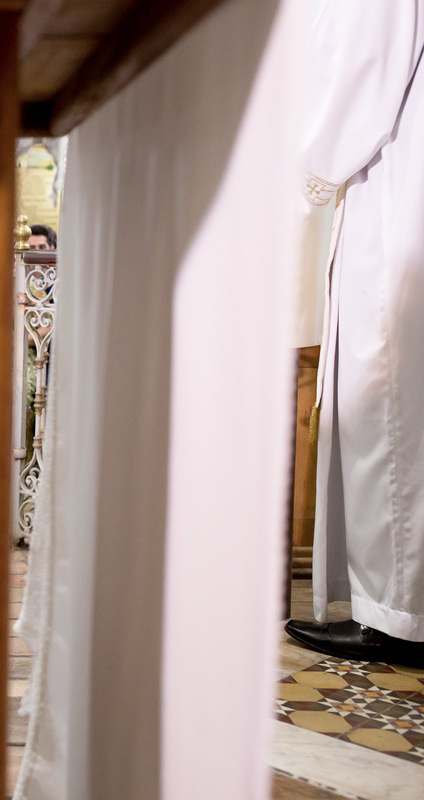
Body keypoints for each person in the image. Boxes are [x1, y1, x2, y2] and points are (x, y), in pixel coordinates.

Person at [285, 1, 424, 667]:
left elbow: (361, 62)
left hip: (395, 170)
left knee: (384, 393)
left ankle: (396, 615)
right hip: (394, 159)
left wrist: (306, 170)